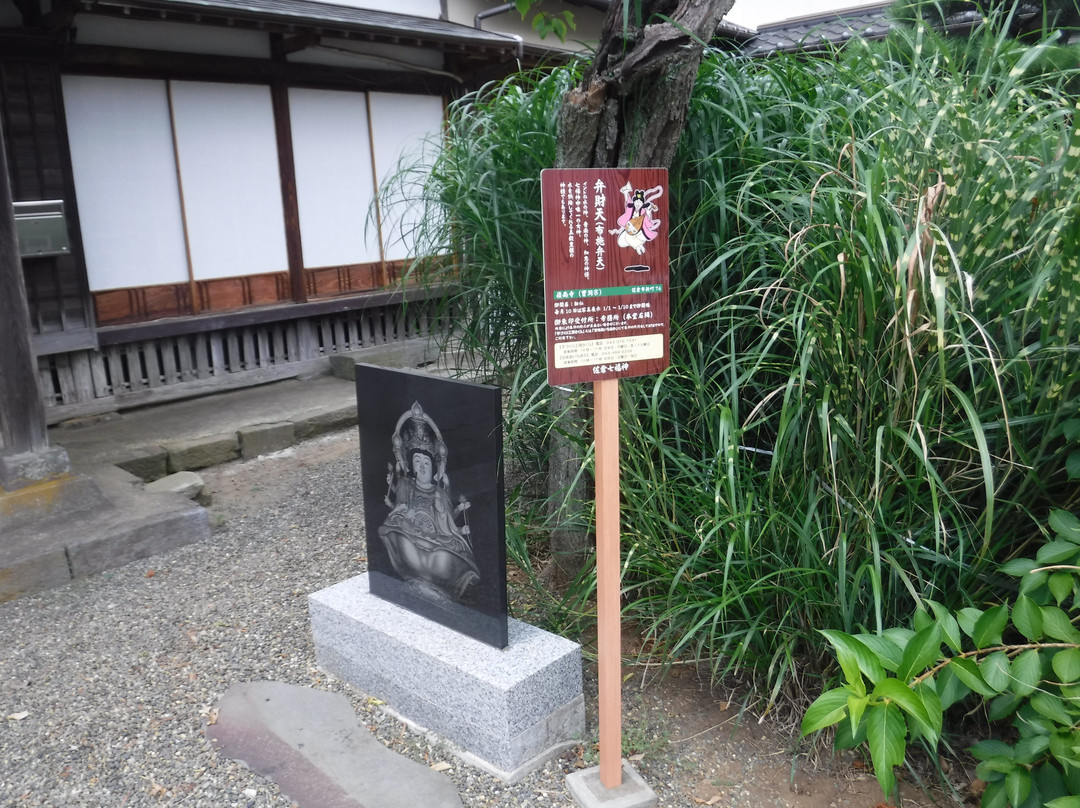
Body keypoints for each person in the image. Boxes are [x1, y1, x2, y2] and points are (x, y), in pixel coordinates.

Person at [377, 401, 480, 603]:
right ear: (410, 465)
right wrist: (406, 514)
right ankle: (418, 579)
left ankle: (435, 586)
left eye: (426, 463)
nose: (422, 467)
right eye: (417, 461)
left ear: (435, 468)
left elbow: (449, 529)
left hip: (438, 539)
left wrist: (442, 513)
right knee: (401, 534)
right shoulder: (406, 485)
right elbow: (399, 511)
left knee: (445, 556)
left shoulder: (440, 493)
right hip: (412, 537)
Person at [609, 182, 663, 256]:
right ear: (634, 202)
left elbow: (648, 222)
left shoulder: (643, 211)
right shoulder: (630, 209)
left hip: (640, 230)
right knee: (621, 242)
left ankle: (639, 249)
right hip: (631, 229)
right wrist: (626, 193)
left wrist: (648, 212)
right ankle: (638, 246)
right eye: (636, 201)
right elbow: (627, 202)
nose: (638, 203)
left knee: (628, 238)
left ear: (642, 204)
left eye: (640, 202)